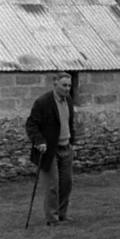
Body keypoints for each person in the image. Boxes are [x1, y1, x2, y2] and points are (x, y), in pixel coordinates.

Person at [26, 72, 76, 226]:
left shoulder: (68, 100)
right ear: (55, 84)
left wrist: (72, 141)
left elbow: (69, 122)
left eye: (69, 85)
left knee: (66, 184)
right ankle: (52, 219)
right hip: (49, 150)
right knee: (52, 186)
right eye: (64, 85)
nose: (67, 89)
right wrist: (39, 141)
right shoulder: (43, 102)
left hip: (66, 147)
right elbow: (31, 125)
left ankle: (62, 214)